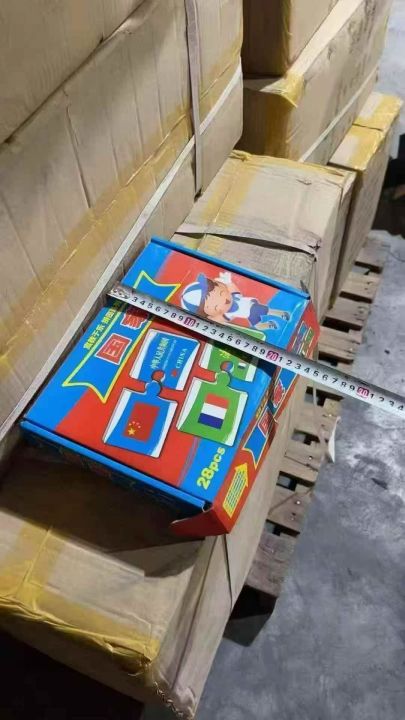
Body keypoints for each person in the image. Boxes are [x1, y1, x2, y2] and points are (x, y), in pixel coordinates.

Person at [181, 271, 290, 331]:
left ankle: (280, 314)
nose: (223, 300)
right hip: (248, 315)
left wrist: (228, 282)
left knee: (264, 310)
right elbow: (218, 320)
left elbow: (234, 291)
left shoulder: (234, 297)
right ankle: (269, 325)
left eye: (220, 293)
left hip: (251, 306)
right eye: (215, 306)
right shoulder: (227, 314)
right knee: (257, 325)